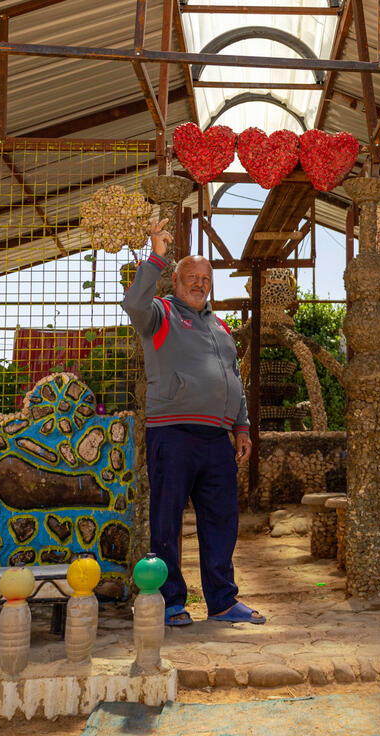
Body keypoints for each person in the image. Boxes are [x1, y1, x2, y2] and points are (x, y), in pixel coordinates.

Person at [121, 216, 265, 626]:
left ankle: (222, 600)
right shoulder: (161, 314)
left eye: (206, 277)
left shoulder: (221, 329)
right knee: (166, 520)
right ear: (177, 280)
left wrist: (242, 427)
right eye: (191, 276)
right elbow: (133, 304)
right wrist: (156, 257)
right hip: (172, 433)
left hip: (217, 438)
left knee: (221, 520)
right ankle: (170, 602)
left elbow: (235, 381)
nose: (200, 282)